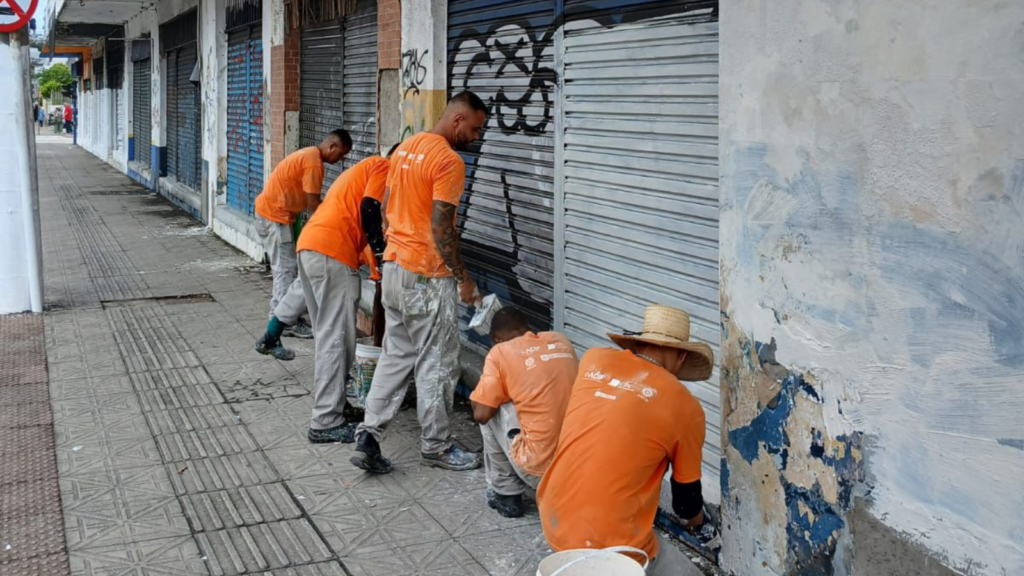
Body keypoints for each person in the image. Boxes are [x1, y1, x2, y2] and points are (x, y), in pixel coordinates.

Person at [350, 91, 487, 474]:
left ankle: (369, 435)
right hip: (426, 276)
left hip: (394, 270)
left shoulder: (407, 148)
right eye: (474, 128)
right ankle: (436, 447)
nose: (476, 137)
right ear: (457, 120)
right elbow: (441, 225)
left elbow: (389, 204)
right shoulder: (448, 160)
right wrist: (463, 278)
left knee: (395, 358)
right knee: (438, 363)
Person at [537, 305, 714, 576]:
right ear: (681, 356)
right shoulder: (686, 407)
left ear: (638, 343)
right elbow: (685, 505)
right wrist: (700, 524)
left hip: (554, 514)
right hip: (609, 541)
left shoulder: (594, 359)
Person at [256, 146, 395, 443]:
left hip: (312, 245)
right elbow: (370, 209)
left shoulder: (360, 173)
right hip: (332, 252)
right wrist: (383, 257)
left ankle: (336, 406)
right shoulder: (385, 167)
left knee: (329, 336)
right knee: (336, 339)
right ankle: (325, 421)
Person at [469, 307, 578, 518]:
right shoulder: (560, 340)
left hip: (540, 472)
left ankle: (506, 494)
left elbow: (481, 414)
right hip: (577, 467)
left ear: (497, 339)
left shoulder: (500, 352)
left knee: (497, 409)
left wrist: (483, 393)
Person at [252, 130, 351, 346]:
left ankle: (286, 317)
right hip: (276, 218)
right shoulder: (313, 162)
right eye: (341, 155)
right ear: (332, 146)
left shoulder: (309, 156)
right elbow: (314, 204)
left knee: (287, 269)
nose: (340, 160)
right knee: (285, 270)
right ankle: (284, 322)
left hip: (275, 215)